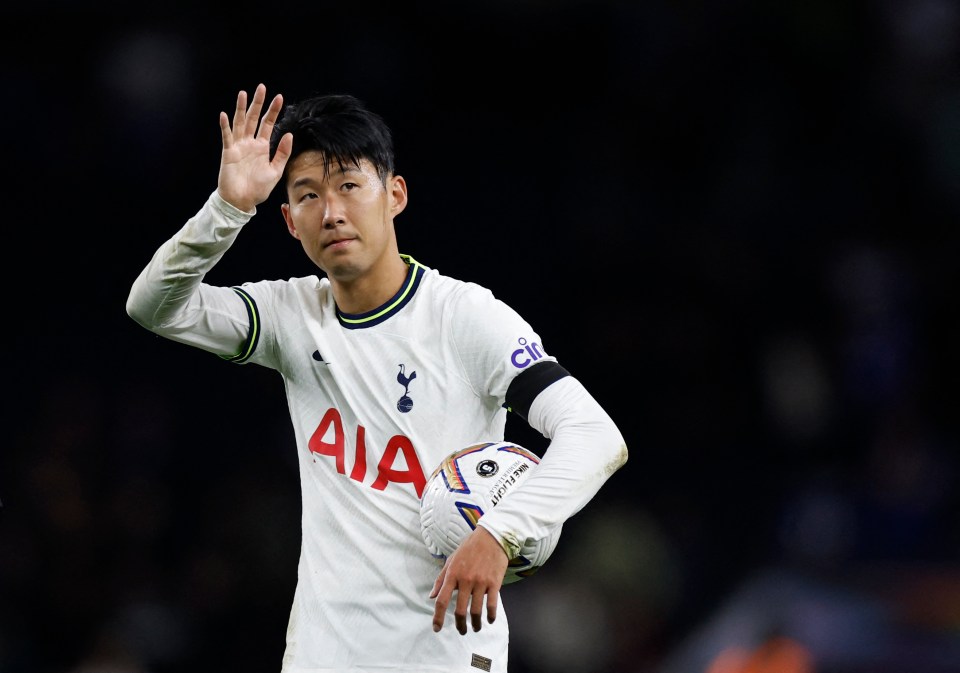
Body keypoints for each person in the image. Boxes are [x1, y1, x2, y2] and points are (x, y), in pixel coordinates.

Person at [126, 83, 628, 673]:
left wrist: (500, 533)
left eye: (348, 186)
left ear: (395, 194)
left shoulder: (463, 318)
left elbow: (595, 435)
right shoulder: (293, 318)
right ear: (288, 221)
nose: (332, 211)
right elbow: (154, 306)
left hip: (444, 656)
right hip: (321, 657)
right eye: (308, 195)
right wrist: (228, 208)